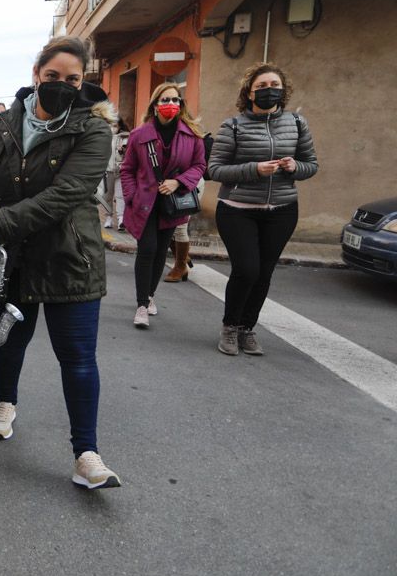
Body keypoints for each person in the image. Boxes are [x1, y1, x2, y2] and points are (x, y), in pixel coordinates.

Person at [0, 35, 122, 490]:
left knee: (77, 358)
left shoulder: (94, 129)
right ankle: (5, 402)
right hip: (13, 261)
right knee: (9, 342)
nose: (61, 85)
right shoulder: (4, 126)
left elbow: (65, 195)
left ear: (84, 83)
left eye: (73, 79)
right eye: (53, 76)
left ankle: (86, 454)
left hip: (69, 257)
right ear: (35, 75)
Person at [208, 62, 317, 356]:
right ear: (250, 92)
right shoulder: (233, 125)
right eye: (262, 87)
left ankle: (247, 328)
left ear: (282, 91)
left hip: (282, 209)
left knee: (264, 273)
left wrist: (296, 166)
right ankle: (230, 327)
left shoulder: (296, 124)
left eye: (274, 86)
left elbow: (312, 165)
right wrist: (254, 169)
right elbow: (215, 169)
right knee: (246, 269)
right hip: (237, 208)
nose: (269, 91)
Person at [119, 84, 206, 329]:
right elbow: (127, 170)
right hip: (144, 204)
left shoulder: (192, 134)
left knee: (160, 253)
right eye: (166, 99)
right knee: (147, 249)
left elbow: (199, 166)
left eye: (176, 100)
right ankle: (141, 305)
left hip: (172, 204)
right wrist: (132, 197)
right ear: (155, 104)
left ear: (181, 105)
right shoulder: (139, 135)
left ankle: (150, 295)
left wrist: (178, 182)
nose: (171, 104)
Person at [101, 118, 128, 230]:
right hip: (107, 171)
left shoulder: (125, 137)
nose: (112, 128)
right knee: (107, 196)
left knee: (120, 196)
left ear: (120, 126)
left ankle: (121, 219)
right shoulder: (104, 137)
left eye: (115, 125)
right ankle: (108, 218)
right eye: (110, 125)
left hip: (120, 171)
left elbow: (129, 153)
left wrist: (123, 150)